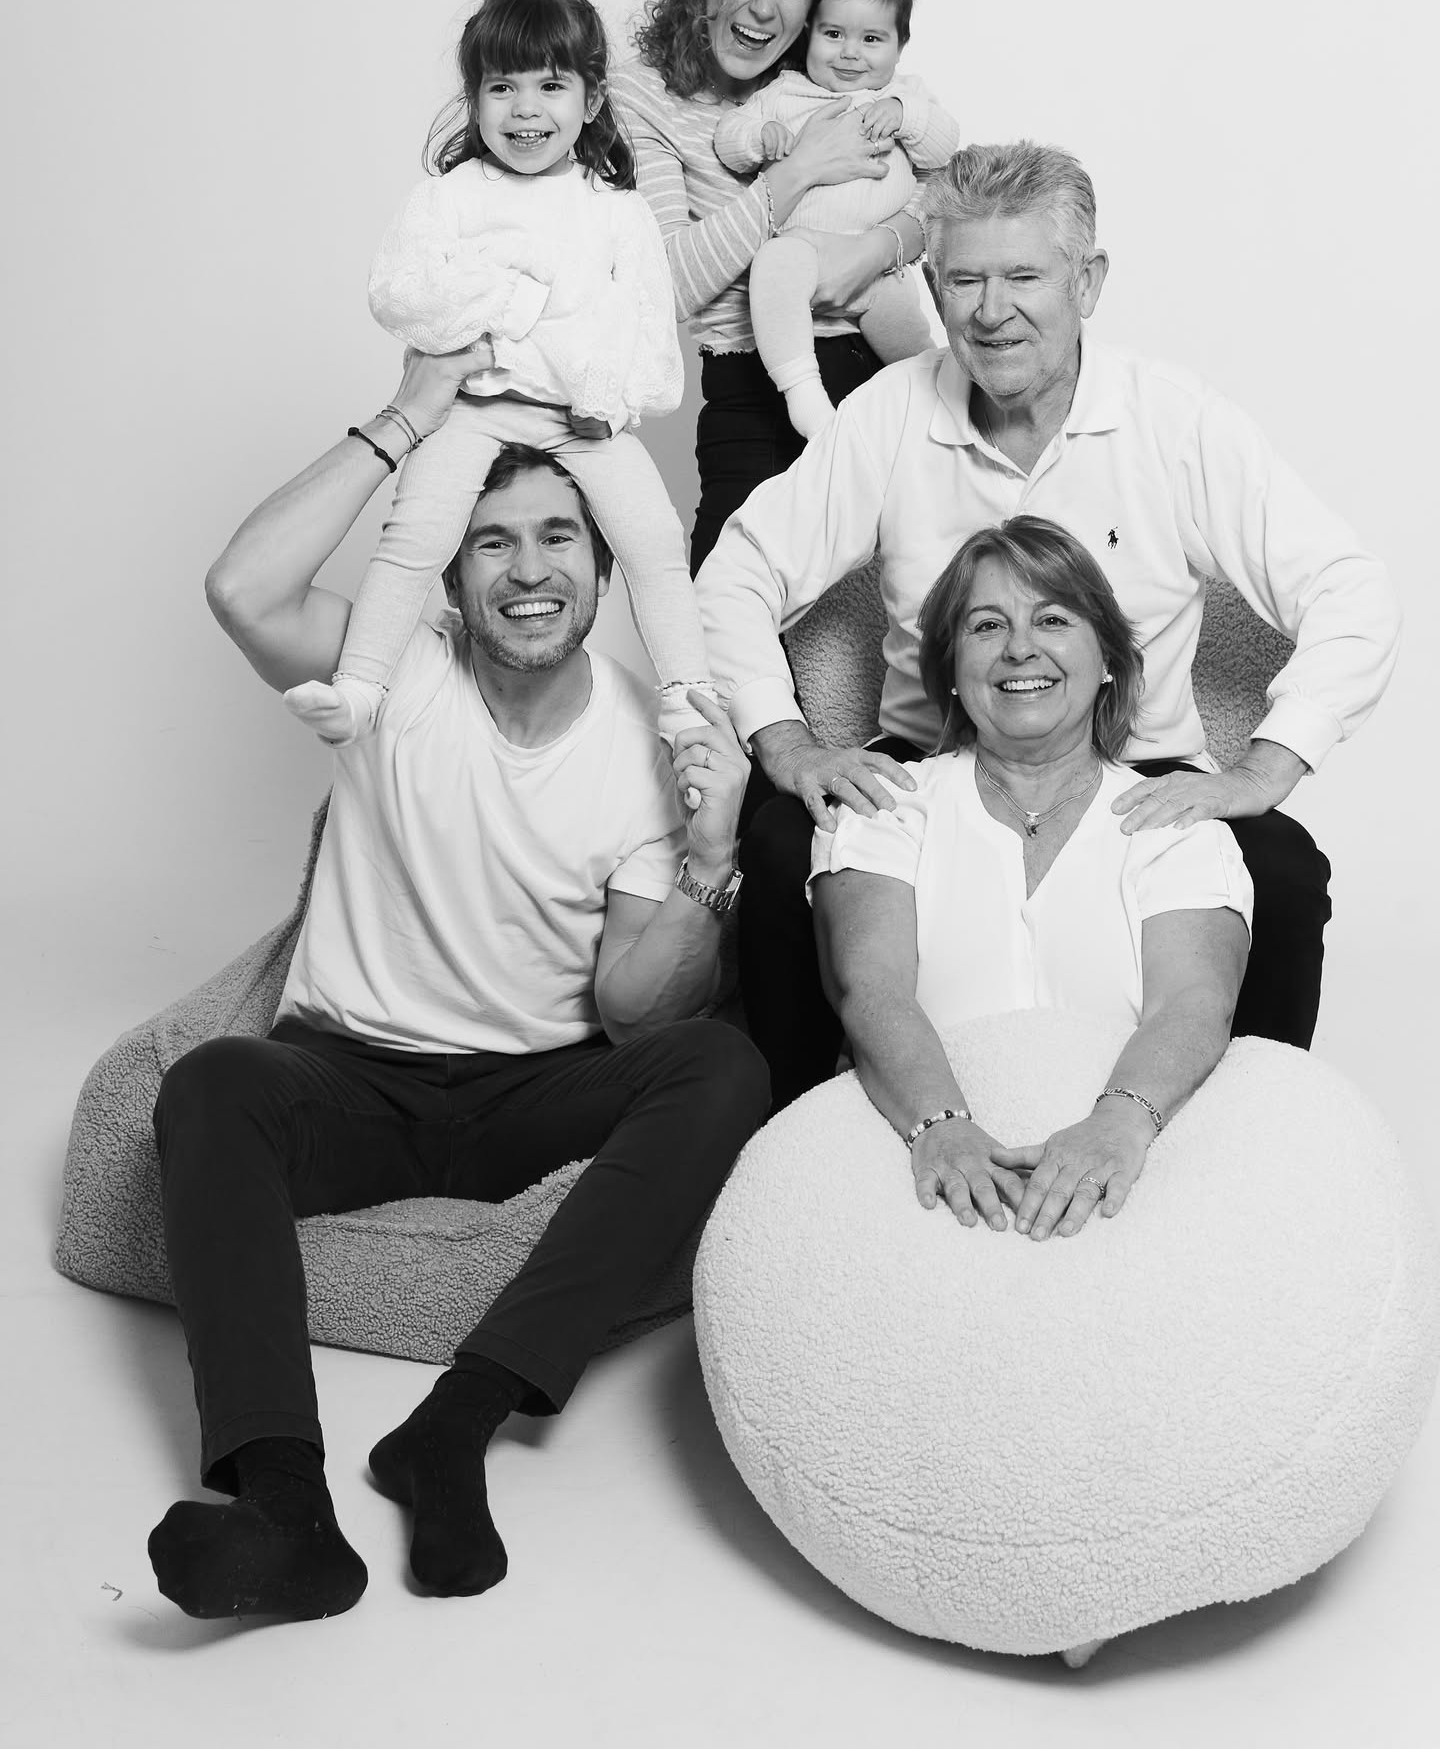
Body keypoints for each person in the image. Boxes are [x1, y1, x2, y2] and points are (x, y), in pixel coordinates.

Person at [147, 349, 768, 1622]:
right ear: (447, 570)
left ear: (607, 567)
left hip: (534, 1088)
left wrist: (712, 863)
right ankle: (283, 1506)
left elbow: (639, 1014)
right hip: (351, 1078)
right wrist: (412, 414)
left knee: (723, 1065)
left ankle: (453, 1424)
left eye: (556, 539)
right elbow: (241, 585)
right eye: (491, 543)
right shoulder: (397, 673)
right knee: (209, 1082)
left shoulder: (655, 737)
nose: (529, 569)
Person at [696, 141, 1400, 1106]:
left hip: (1137, 772)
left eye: (1024, 275)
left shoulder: (1173, 419)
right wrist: (786, 746)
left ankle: (1247, 1146)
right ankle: (805, 1144)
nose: (991, 311)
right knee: (782, 850)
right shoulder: (889, 412)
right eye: (963, 281)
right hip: (926, 762)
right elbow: (736, 572)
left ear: (1089, 282)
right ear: (933, 290)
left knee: (1280, 866)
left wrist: (1267, 768)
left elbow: (1352, 590)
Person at [284, 0, 715, 754]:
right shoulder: (447, 201)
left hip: (583, 416)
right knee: (413, 537)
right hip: (474, 409)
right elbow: (399, 296)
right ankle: (360, 688)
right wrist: (512, 299)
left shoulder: (616, 213)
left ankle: (689, 692)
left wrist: (611, 401)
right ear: (474, 99)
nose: (524, 110)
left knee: (655, 543)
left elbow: (651, 331)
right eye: (501, 87)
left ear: (589, 101)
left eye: (550, 85)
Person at [813, 516, 1251, 1241]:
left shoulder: (1180, 821)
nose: (1021, 647)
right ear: (951, 670)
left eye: (1052, 618)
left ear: (1107, 656)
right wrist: (942, 1128)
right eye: (986, 626)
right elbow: (871, 988)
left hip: (1132, 1184)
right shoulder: (887, 805)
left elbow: (1195, 1005)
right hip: (923, 1178)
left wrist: (1114, 1129)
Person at [610, 0, 929, 570]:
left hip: (876, 359)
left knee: (917, 597)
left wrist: (878, 247)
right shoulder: (643, 98)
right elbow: (667, 287)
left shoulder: (835, 74)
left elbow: (940, 189)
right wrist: (797, 171)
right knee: (721, 597)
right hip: (753, 383)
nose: (763, 7)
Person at [713, 0, 955, 442]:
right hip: (805, 254)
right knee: (774, 264)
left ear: (900, 45)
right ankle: (803, 393)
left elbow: (944, 148)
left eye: (871, 39)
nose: (850, 53)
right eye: (833, 34)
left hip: (881, 271)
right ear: (809, 34)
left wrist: (905, 113)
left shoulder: (906, 95)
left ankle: (950, 408)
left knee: (922, 362)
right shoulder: (785, 93)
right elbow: (728, 137)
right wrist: (763, 136)